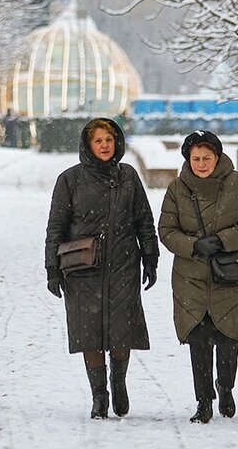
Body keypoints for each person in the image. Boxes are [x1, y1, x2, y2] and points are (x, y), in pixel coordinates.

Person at [45, 118, 159, 419]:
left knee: (122, 331)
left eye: (109, 139)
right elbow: (55, 227)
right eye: (98, 140)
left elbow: (144, 221)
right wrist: (52, 269)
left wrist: (151, 257)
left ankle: (118, 382)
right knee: (89, 334)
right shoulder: (69, 179)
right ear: (88, 145)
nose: (105, 145)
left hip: (123, 265)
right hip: (82, 268)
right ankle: (99, 395)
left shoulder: (128, 177)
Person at [158, 130, 238, 423]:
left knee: (230, 337)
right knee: (199, 340)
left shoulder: (237, 183)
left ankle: (226, 387)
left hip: (231, 275)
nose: (201, 164)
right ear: (187, 160)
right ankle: (203, 400)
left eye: (207, 158)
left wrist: (224, 240)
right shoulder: (177, 189)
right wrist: (193, 245)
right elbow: (166, 231)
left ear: (217, 158)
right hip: (190, 278)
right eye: (196, 158)